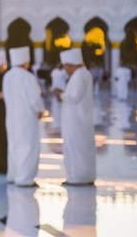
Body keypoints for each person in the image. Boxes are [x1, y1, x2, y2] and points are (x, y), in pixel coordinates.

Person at [2, 46, 46, 187]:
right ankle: (25, 179)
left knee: (14, 145)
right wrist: (41, 110)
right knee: (28, 146)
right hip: (26, 117)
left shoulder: (7, 76)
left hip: (11, 116)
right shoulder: (28, 77)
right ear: (26, 62)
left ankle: (14, 175)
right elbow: (34, 98)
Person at [54, 48, 96, 186]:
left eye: (66, 66)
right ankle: (85, 176)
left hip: (76, 121)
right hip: (80, 118)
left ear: (71, 64)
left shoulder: (79, 75)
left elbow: (74, 96)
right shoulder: (84, 73)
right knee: (82, 147)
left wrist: (60, 95)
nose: (65, 70)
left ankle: (78, 177)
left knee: (76, 147)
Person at [49, 63, 68, 132]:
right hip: (58, 89)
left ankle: (59, 123)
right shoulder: (57, 72)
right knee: (57, 108)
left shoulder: (59, 72)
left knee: (60, 108)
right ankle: (57, 123)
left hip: (61, 90)